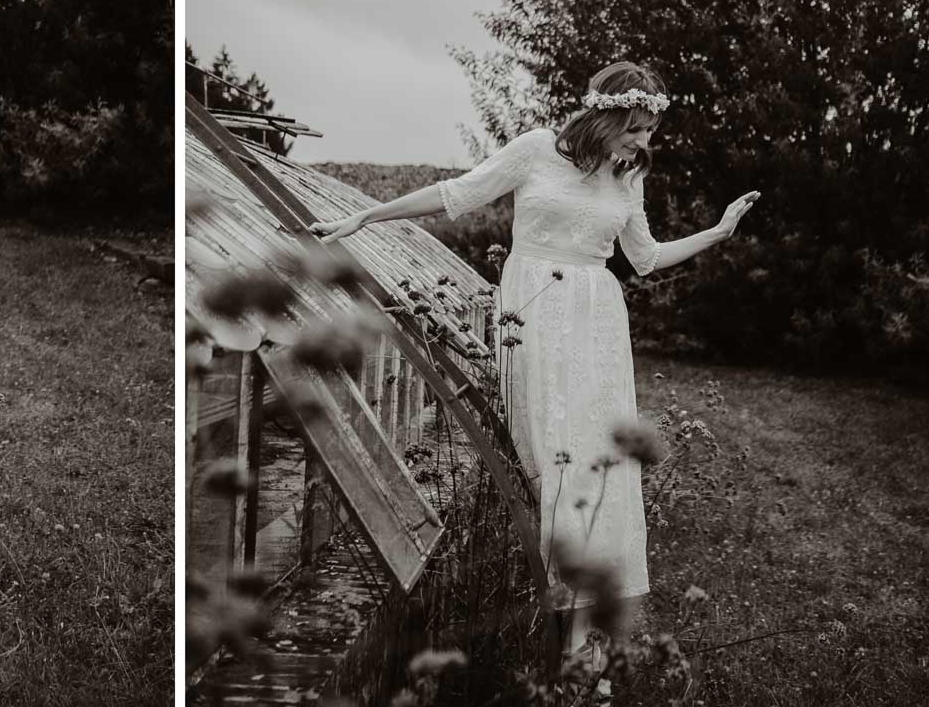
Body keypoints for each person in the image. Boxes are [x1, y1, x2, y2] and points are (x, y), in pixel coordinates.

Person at [309, 62, 759, 658]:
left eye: (650, 131)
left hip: (596, 320)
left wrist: (717, 233)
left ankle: (586, 642)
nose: (644, 143)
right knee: (549, 456)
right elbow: (456, 194)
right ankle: (553, 618)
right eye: (637, 128)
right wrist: (368, 215)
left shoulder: (628, 178)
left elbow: (645, 259)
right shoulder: (536, 150)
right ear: (607, 114)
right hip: (535, 314)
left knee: (598, 463)